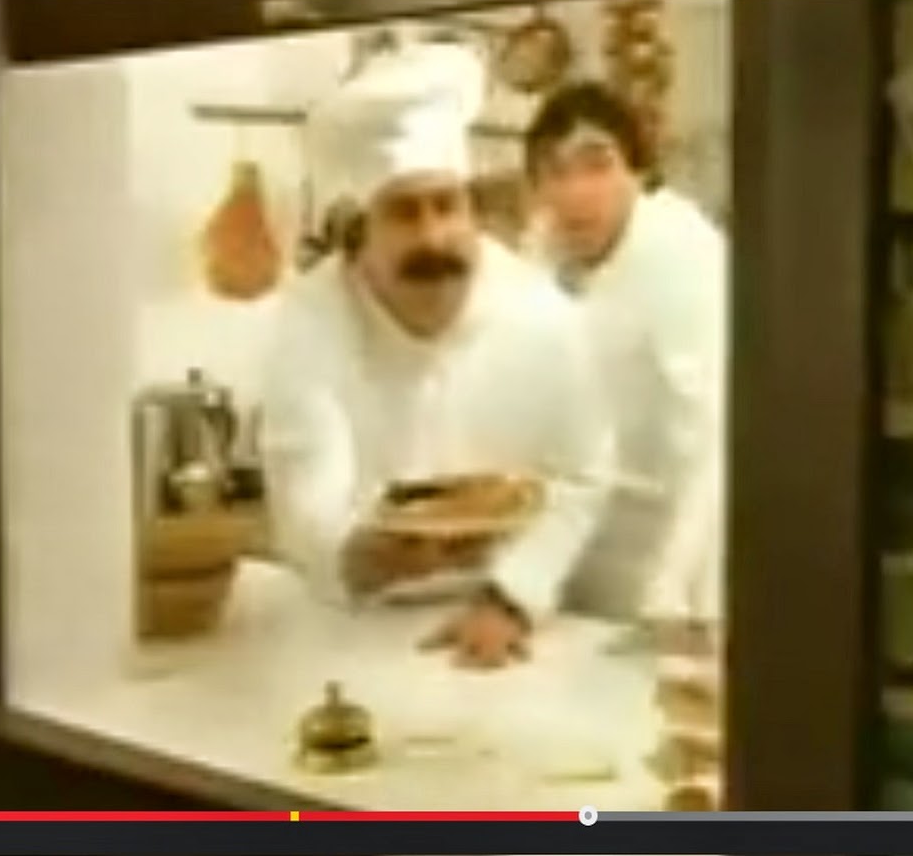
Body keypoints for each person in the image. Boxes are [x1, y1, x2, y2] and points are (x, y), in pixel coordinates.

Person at [260, 42, 614, 669]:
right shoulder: (313, 319)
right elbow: (303, 486)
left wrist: (512, 597)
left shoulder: (542, 314)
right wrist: (357, 555)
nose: (434, 237)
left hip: (508, 622)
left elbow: (584, 477)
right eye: (404, 212)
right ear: (358, 229)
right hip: (358, 625)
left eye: (447, 206)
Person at [521, 81, 729, 644]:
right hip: (575, 569)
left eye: (598, 165)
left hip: (667, 570)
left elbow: (718, 433)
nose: (575, 192)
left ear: (638, 172)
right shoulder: (542, 258)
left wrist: (676, 592)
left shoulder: (681, 255)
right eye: (554, 170)